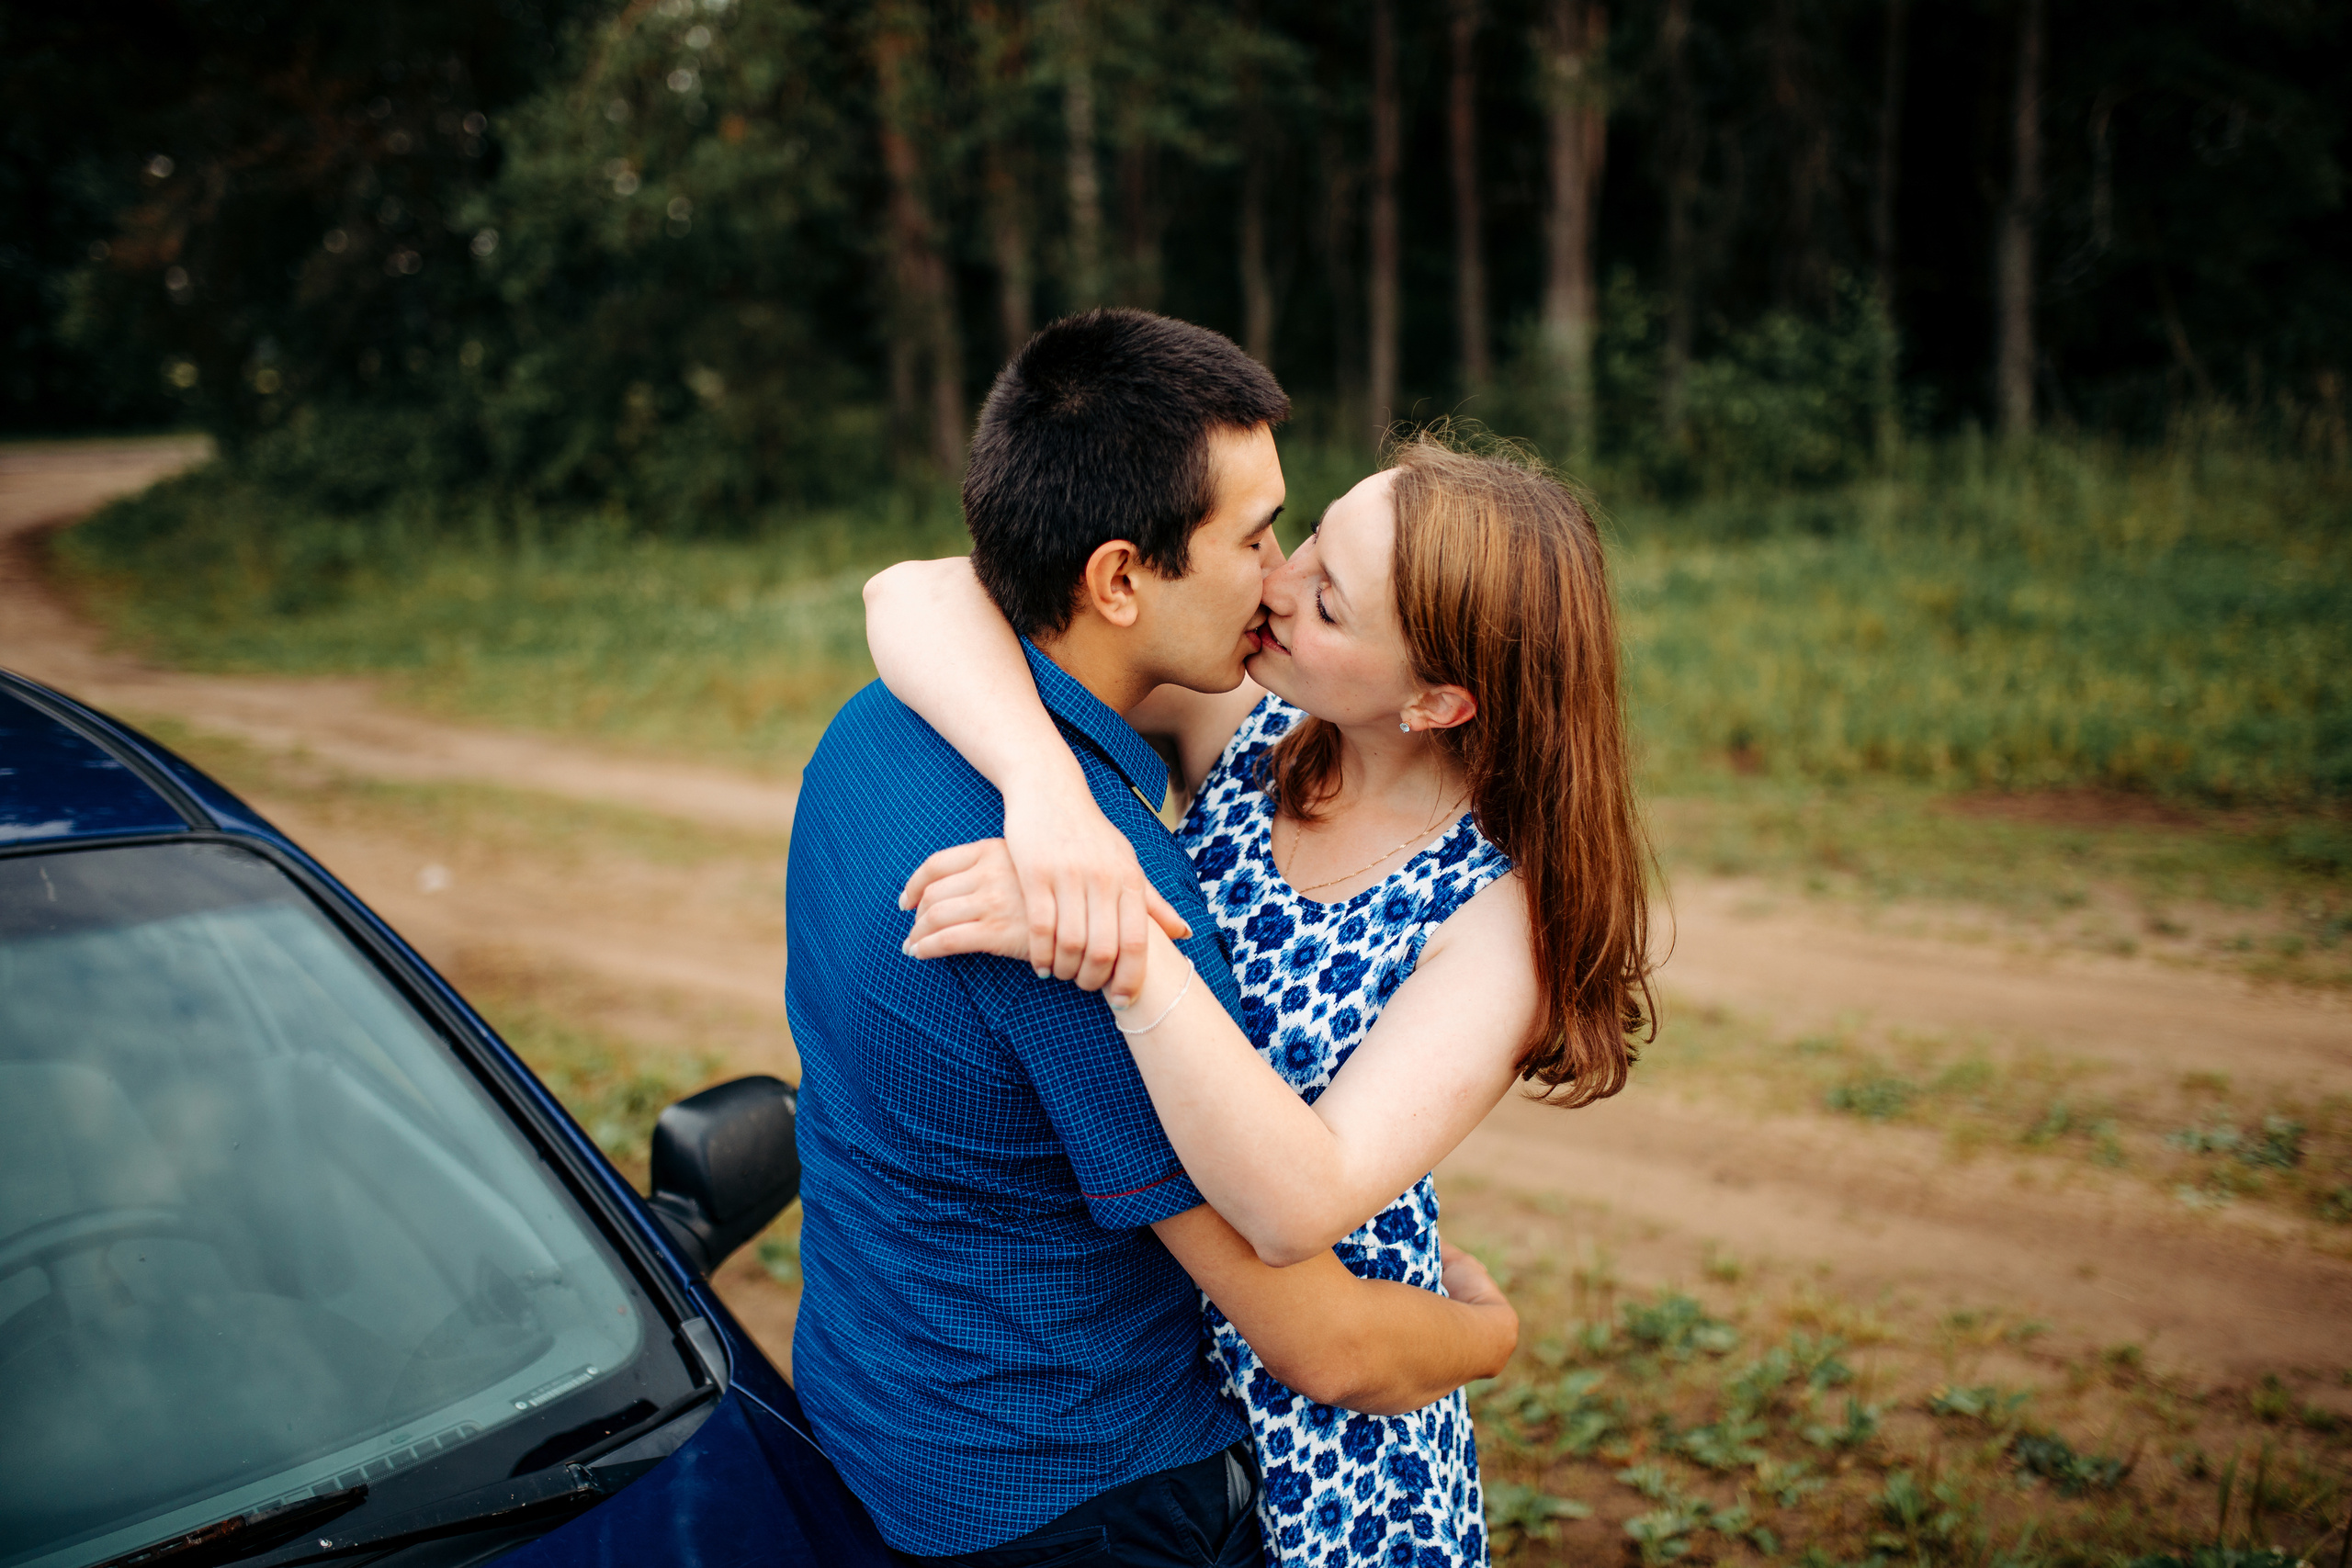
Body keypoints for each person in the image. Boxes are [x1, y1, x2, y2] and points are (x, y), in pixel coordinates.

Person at [786, 309, 1521, 1568]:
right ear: (1120, 575)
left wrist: (1046, 787)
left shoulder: (877, 727)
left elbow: (914, 588)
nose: (1280, 579)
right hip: (1076, 1491)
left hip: (875, 1401)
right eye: (1256, 538)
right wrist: (1492, 1333)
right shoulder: (1086, 910)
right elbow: (1325, 1337)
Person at [866, 427, 1657, 1567]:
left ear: (1437, 703)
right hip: (1137, 1378)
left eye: (1330, 604)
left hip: (1326, 1458)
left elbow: (1300, 1201)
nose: (1275, 586)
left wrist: (1120, 941)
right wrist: (1051, 804)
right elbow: (916, 590)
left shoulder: (1493, 929)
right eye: (1307, 543)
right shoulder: (1262, 736)